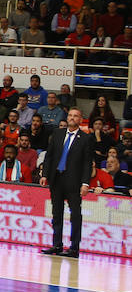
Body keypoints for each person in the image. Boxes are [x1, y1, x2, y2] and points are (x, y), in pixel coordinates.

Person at [40, 109, 93, 258]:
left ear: (80, 119)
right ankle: (57, 244)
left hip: (74, 181)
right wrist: (45, 175)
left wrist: (85, 183)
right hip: (56, 179)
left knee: (75, 214)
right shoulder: (57, 134)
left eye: (75, 116)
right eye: (70, 115)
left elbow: (87, 163)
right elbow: (49, 156)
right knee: (56, 213)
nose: (72, 118)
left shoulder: (85, 138)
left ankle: (74, 247)